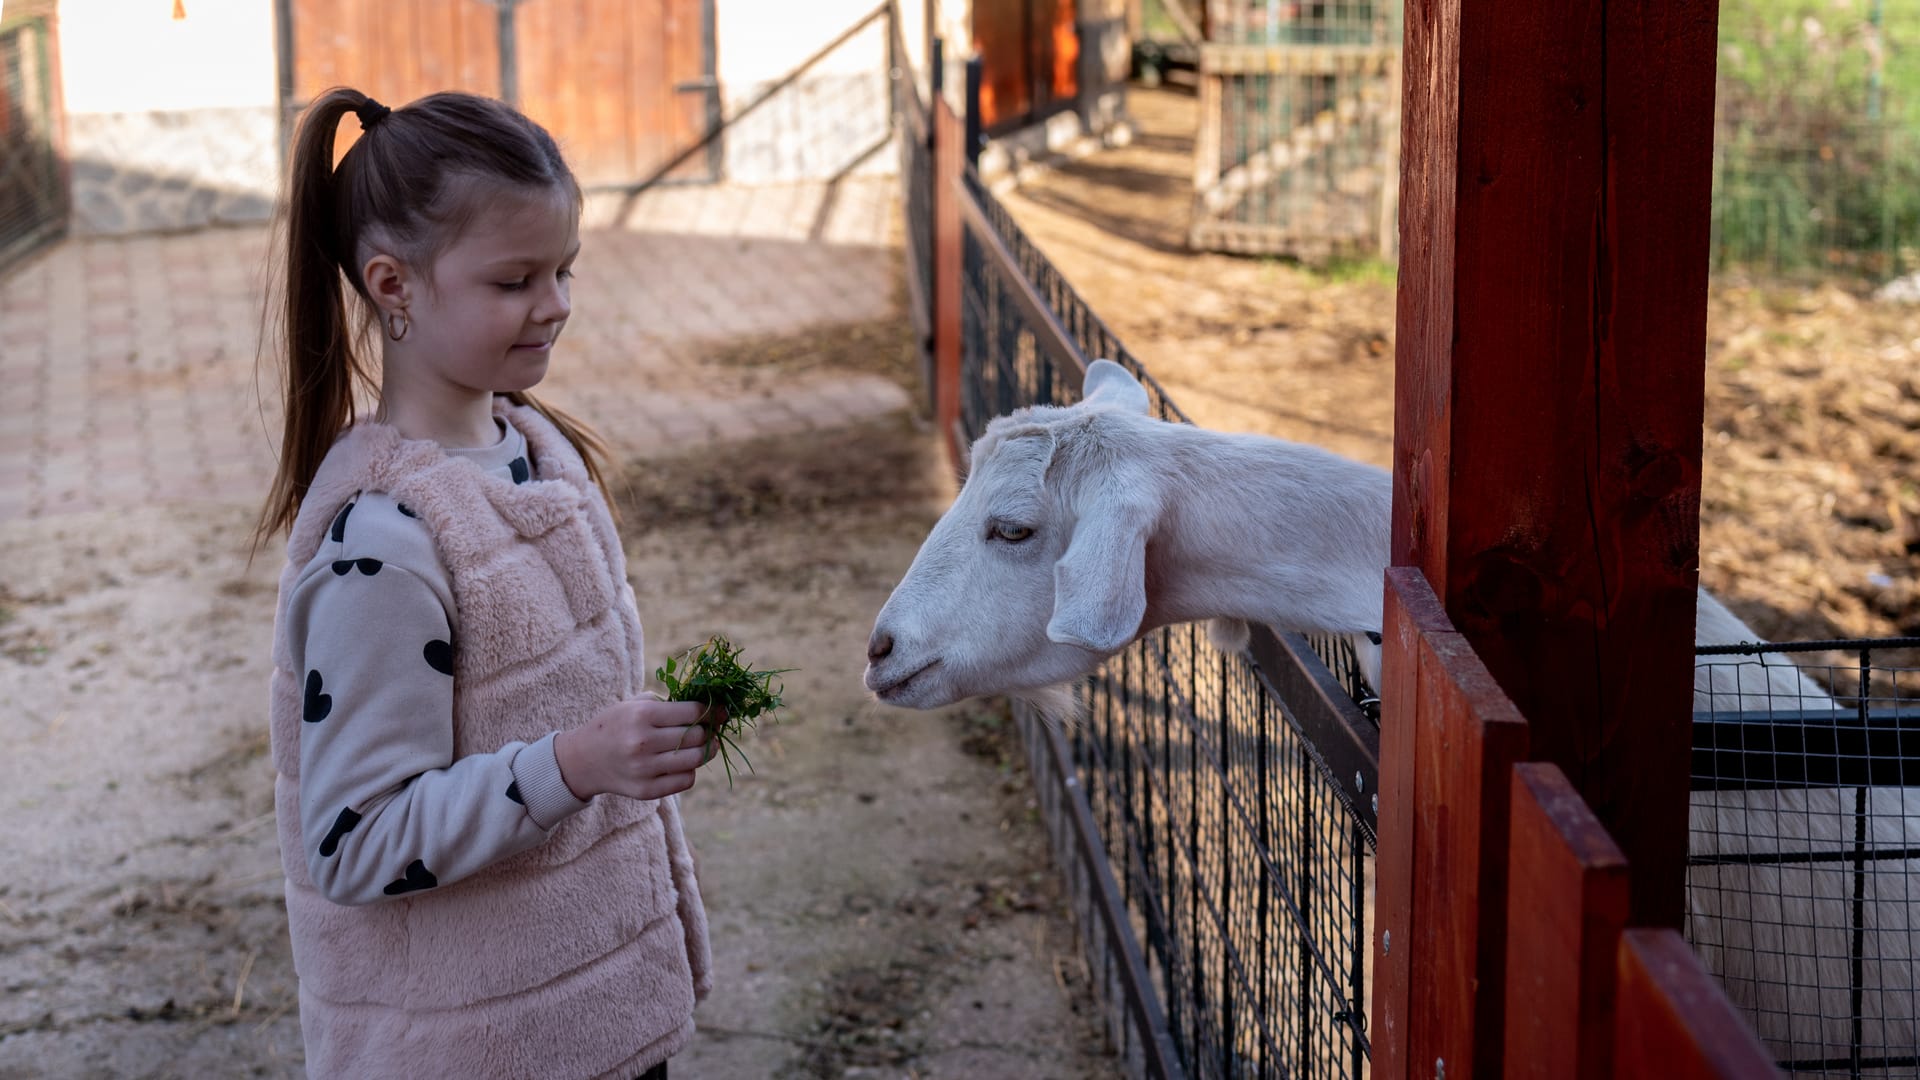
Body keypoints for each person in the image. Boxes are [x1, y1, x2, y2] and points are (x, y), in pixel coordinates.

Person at [251, 87, 715, 1080]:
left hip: (595, 1019)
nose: (556, 304)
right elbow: (355, 840)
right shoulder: (380, 546)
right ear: (394, 286)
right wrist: (578, 763)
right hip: (475, 1049)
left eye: (564, 270)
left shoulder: (538, 454)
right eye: (514, 280)